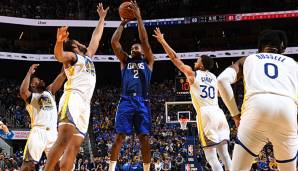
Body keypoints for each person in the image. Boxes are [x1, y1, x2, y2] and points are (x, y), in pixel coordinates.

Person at [217, 30, 298, 171]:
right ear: (282, 48)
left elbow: (222, 80)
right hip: (287, 110)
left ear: (260, 47)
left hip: (256, 108)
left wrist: (235, 115)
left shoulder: (248, 59)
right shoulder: (293, 63)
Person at [153, 28, 232, 171]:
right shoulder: (214, 78)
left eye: (197, 60)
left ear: (201, 65)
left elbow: (174, 58)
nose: (195, 62)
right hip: (219, 113)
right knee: (225, 155)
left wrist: (162, 41)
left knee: (211, 157)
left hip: (206, 113)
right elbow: (221, 94)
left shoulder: (193, 74)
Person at [43, 3, 109, 171]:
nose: (82, 43)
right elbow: (59, 55)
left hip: (85, 104)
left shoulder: (88, 57)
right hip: (73, 97)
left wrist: (102, 18)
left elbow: (96, 38)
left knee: (74, 146)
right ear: (74, 46)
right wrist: (59, 42)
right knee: (64, 138)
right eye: (79, 42)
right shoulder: (72, 57)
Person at [109, 1, 154, 171]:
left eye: (137, 47)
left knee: (144, 138)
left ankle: (147, 169)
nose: (134, 47)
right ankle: (111, 168)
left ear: (143, 51)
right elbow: (114, 43)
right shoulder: (125, 61)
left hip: (143, 101)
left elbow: (144, 39)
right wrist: (122, 23)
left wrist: (139, 17)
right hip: (126, 101)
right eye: (132, 47)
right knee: (120, 136)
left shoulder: (149, 61)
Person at [20, 64, 66, 171]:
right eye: (38, 80)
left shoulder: (49, 91)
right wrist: (29, 73)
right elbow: (23, 91)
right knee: (28, 165)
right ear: (32, 84)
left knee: (59, 166)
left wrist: (65, 59)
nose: (41, 80)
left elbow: (63, 75)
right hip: (38, 132)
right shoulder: (31, 97)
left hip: (53, 133)